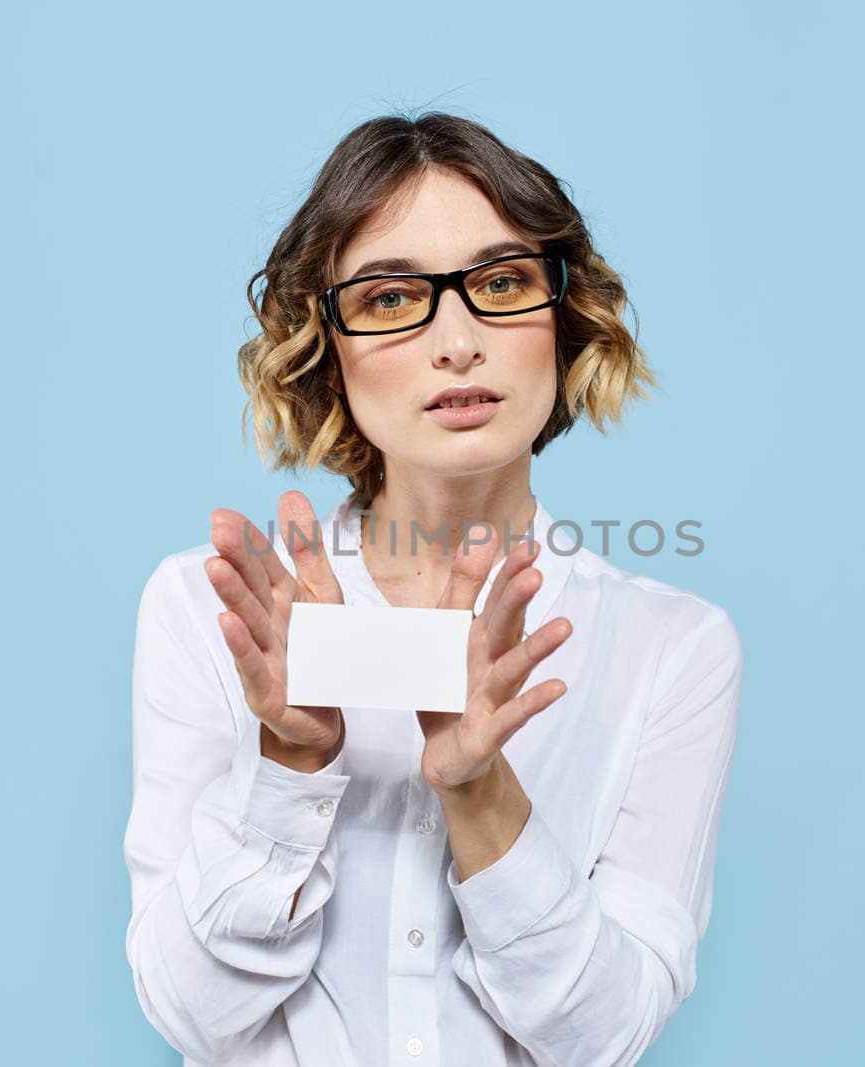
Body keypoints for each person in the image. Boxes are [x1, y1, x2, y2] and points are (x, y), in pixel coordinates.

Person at [123, 111, 745, 1067]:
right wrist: (291, 762)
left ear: (563, 315)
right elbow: (192, 1018)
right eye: (389, 299)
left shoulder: (672, 645)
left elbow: (606, 1036)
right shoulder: (218, 616)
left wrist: (479, 790)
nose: (457, 342)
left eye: (501, 283)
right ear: (322, 346)